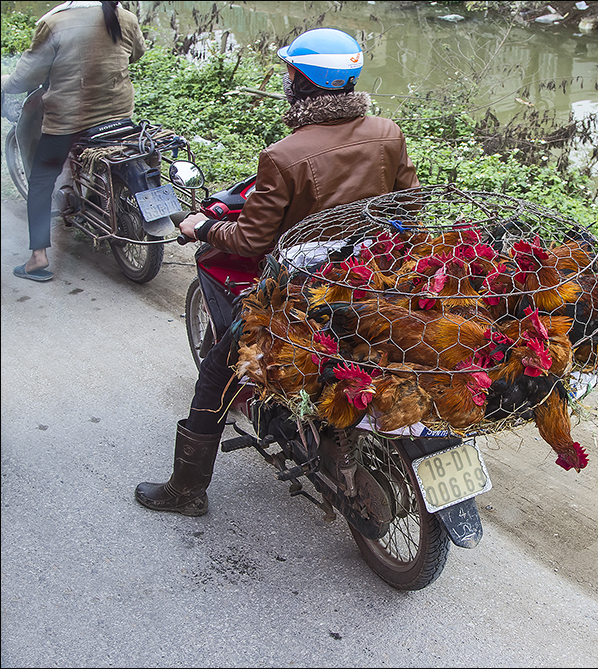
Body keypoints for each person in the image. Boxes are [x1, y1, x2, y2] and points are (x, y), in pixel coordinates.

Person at [135, 28, 420, 516]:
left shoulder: (284, 156)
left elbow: (251, 240)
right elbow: (408, 207)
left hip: (303, 295)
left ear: (301, 81)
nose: (287, 79)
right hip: (373, 279)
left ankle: (186, 491)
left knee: (216, 377)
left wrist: (204, 228)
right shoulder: (387, 133)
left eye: (290, 72)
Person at [0, 1, 145, 282]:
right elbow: (136, 53)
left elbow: (26, 77)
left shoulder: (53, 23)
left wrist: (6, 83)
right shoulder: (125, 18)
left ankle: (38, 257)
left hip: (68, 124)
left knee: (41, 180)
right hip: (118, 117)